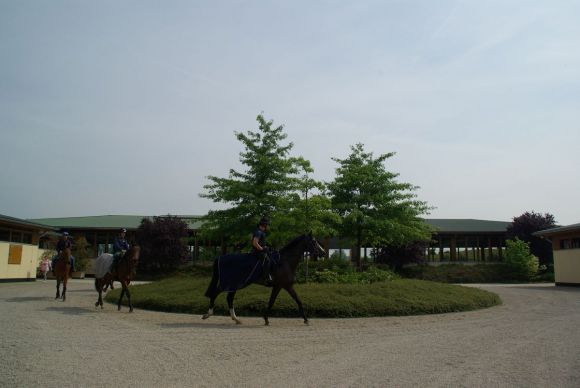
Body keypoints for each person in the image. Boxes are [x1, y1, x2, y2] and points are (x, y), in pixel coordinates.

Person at [252, 217, 272, 283]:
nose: (269, 226)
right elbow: (255, 243)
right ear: (265, 225)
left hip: (260, 251)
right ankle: (264, 278)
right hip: (257, 252)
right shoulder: (258, 232)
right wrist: (262, 249)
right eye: (268, 225)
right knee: (267, 260)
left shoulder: (262, 232)